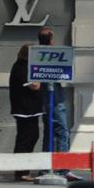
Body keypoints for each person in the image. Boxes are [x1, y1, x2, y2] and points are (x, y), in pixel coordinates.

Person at [8, 44, 42, 182]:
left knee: (32, 137)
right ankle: (21, 172)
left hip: (30, 110)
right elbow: (35, 85)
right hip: (24, 110)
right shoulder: (21, 67)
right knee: (25, 139)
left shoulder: (24, 66)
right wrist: (41, 77)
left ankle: (23, 170)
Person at [37, 27, 69, 166]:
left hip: (47, 100)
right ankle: (62, 167)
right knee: (62, 132)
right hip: (55, 100)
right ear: (51, 40)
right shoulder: (51, 55)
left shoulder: (36, 56)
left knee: (49, 133)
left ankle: (46, 167)